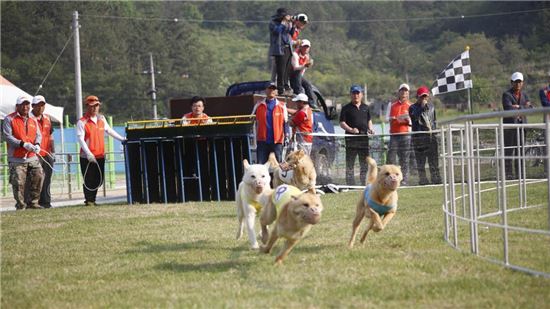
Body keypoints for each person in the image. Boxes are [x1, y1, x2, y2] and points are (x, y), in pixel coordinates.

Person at [77, 95, 126, 206]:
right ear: (87, 107)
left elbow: (109, 131)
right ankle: (89, 200)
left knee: (99, 179)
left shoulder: (101, 119)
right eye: (92, 106)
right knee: (89, 179)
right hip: (87, 157)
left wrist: (122, 139)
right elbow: (80, 139)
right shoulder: (82, 122)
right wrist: (88, 153)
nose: (94, 108)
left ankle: (92, 199)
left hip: (100, 155)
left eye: (96, 106)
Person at [2, 95, 44, 210]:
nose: (25, 107)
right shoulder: (9, 119)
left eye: (27, 104)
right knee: (18, 183)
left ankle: (34, 203)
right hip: (16, 158)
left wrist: (37, 145)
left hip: (32, 156)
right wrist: (22, 144)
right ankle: (20, 205)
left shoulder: (33, 119)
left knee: (39, 176)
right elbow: (7, 137)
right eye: (22, 104)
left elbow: (38, 135)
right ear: (17, 106)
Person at [339, 85, 374, 186]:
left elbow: (369, 120)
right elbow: (341, 123)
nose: (356, 95)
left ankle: (365, 183)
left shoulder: (366, 107)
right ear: (350, 94)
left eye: (358, 93)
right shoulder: (346, 108)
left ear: (362, 94)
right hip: (351, 140)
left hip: (364, 139)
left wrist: (370, 129)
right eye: (354, 93)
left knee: (364, 163)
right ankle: (350, 184)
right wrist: (350, 129)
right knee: (350, 163)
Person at [502, 72, 533, 180]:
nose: (518, 84)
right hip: (510, 127)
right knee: (509, 151)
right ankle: (509, 175)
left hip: (522, 127)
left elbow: (530, 109)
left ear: (522, 83)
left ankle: (520, 174)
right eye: (516, 82)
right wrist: (523, 107)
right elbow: (508, 109)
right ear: (512, 82)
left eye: (520, 82)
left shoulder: (524, 95)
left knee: (520, 151)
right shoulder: (506, 95)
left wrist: (518, 106)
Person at [409, 86, 441, 185]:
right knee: (421, 162)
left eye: (425, 96)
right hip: (419, 139)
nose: (424, 99)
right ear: (417, 97)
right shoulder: (412, 108)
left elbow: (434, 121)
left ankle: (436, 179)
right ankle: (423, 180)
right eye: (422, 97)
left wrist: (435, 133)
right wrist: (422, 108)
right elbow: (414, 118)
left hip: (431, 138)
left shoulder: (431, 107)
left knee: (434, 160)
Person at [253, 82, 288, 164]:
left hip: (277, 141)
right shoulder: (259, 105)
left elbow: (285, 123)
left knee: (278, 166)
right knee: (261, 165)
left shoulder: (282, 106)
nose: (272, 90)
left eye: (274, 89)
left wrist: (287, 136)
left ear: (276, 91)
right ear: (266, 90)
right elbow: (251, 120)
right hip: (262, 141)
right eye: (270, 88)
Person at [31, 95, 55, 208]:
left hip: (46, 153)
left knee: (47, 179)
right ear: (33, 106)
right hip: (34, 154)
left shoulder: (47, 118)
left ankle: (46, 202)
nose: (40, 108)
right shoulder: (28, 118)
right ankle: (33, 203)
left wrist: (53, 152)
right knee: (35, 180)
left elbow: (51, 136)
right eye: (38, 105)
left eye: (42, 105)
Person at [387, 83, 412, 185]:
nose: (404, 92)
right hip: (394, 135)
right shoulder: (391, 105)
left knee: (404, 158)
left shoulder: (411, 106)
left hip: (406, 135)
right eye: (402, 90)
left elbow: (412, 122)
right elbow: (386, 118)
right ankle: (390, 179)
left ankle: (404, 180)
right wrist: (392, 118)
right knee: (391, 158)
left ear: (408, 93)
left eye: (406, 91)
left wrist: (408, 119)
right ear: (399, 92)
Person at [269, 7, 293, 95]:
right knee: (281, 70)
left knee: (287, 70)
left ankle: (286, 87)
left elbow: (292, 33)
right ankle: (280, 89)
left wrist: (292, 24)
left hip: (288, 48)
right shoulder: (273, 23)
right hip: (279, 49)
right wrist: (283, 23)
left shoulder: (288, 23)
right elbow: (277, 31)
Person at [289, 39, 316, 108]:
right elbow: (295, 67)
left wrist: (306, 66)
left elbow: (303, 70)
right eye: (304, 47)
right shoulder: (295, 55)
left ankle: (311, 103)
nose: (305, 49)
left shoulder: (307, 56)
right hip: (292, 75)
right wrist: (305, 66)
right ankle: (302, 101)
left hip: (299, 75)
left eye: (307, 47)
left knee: (308, 85)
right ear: (300, 47)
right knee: (299, 88)